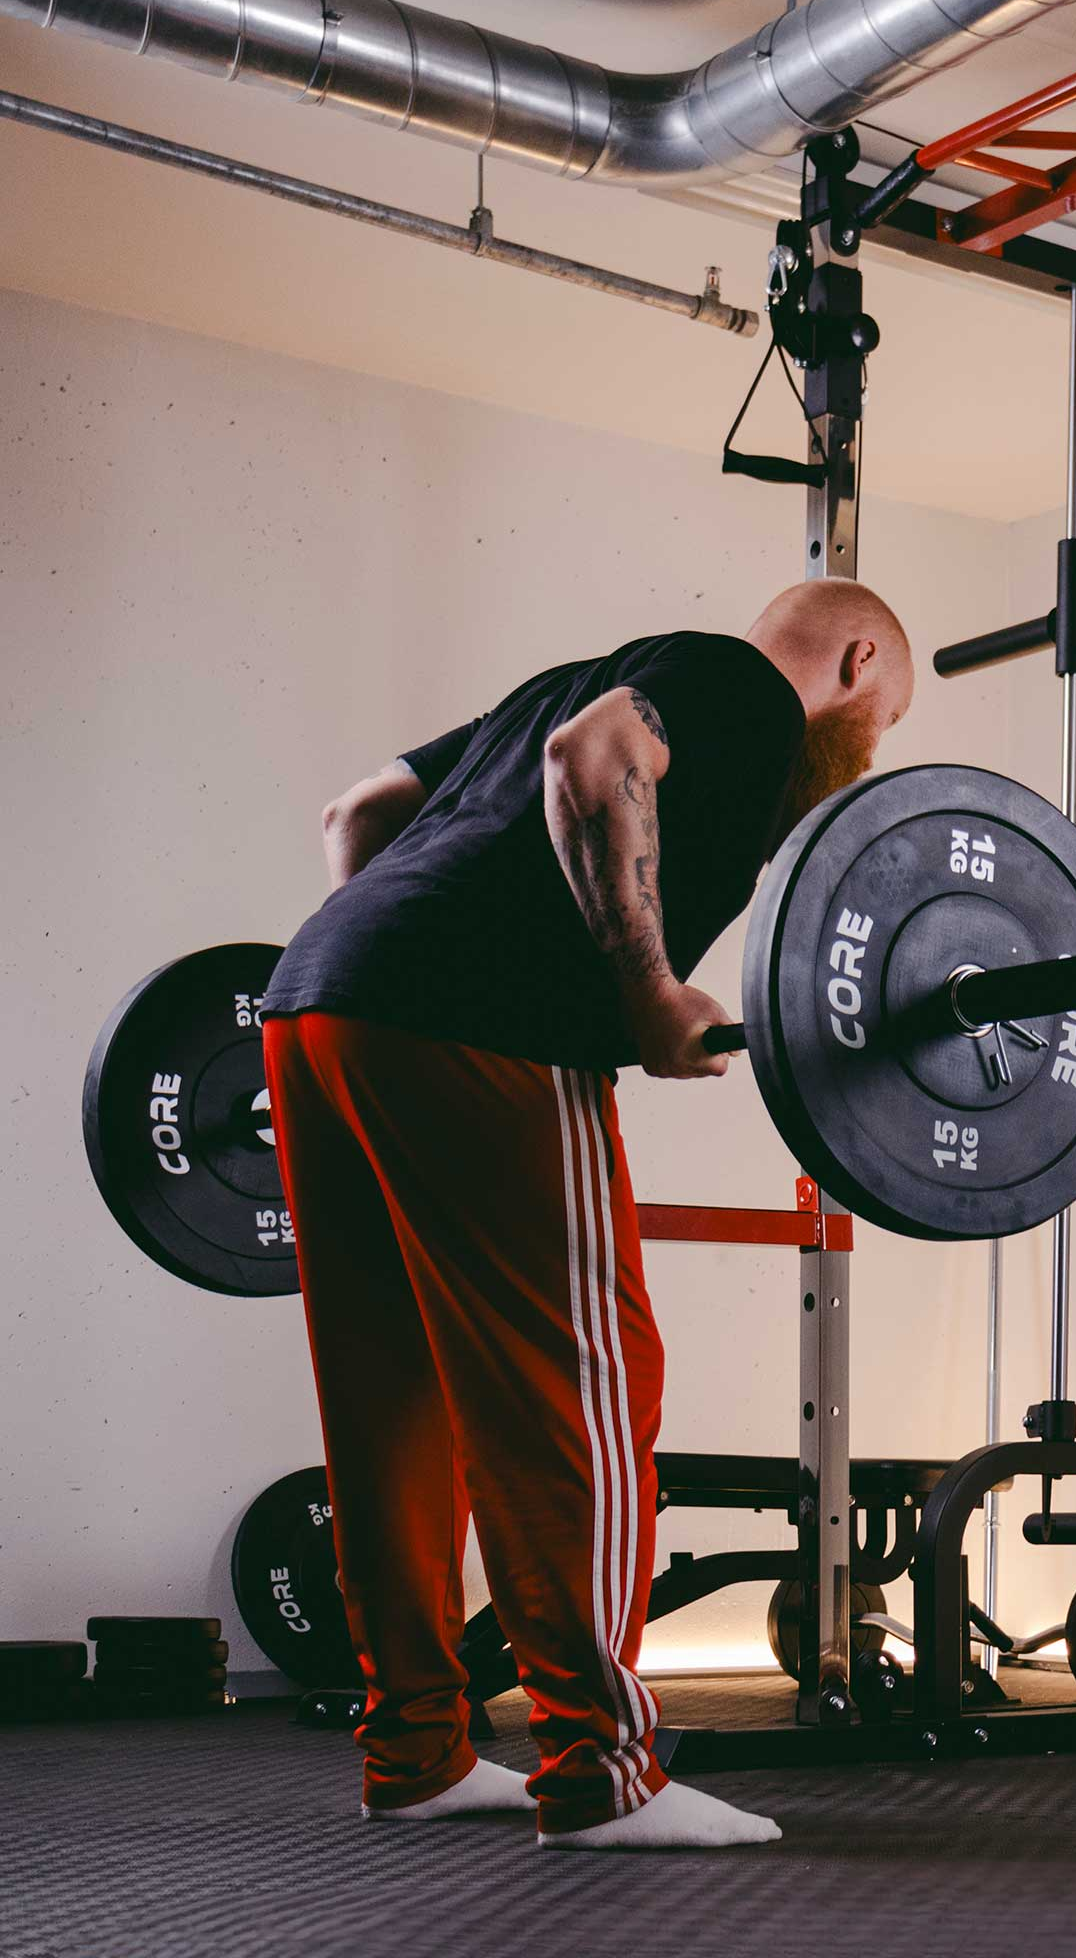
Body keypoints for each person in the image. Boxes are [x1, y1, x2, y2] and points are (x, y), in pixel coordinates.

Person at [259, 579, 914, 1848]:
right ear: (854, 658)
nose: (869, 751)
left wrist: (400, 946)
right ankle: (600, 1770)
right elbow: (596, 756)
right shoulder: (743, 691)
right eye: (880, 722)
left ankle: (415, 1751)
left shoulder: (558, 678)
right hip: (475, 1031)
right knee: (587, 1384)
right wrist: (648, 985)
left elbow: (363, 812)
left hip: (317, 1002)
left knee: (397, 1391)